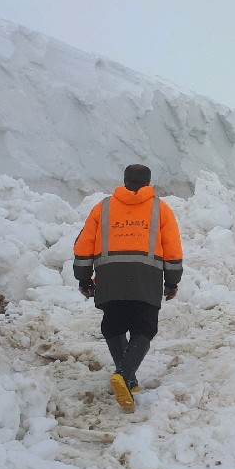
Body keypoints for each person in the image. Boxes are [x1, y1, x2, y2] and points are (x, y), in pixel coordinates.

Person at [73, 164, 183, 411]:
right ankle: (124, 374)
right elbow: (173, 248)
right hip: (146, 276)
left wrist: (83, 278)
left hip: (109, 276)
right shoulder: (160, 209)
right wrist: (172, 281)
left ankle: (128, 378)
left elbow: (83, 245)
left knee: (113, 325)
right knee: (144, 327)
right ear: (148, 182)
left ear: (124, 181)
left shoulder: (103, 207)